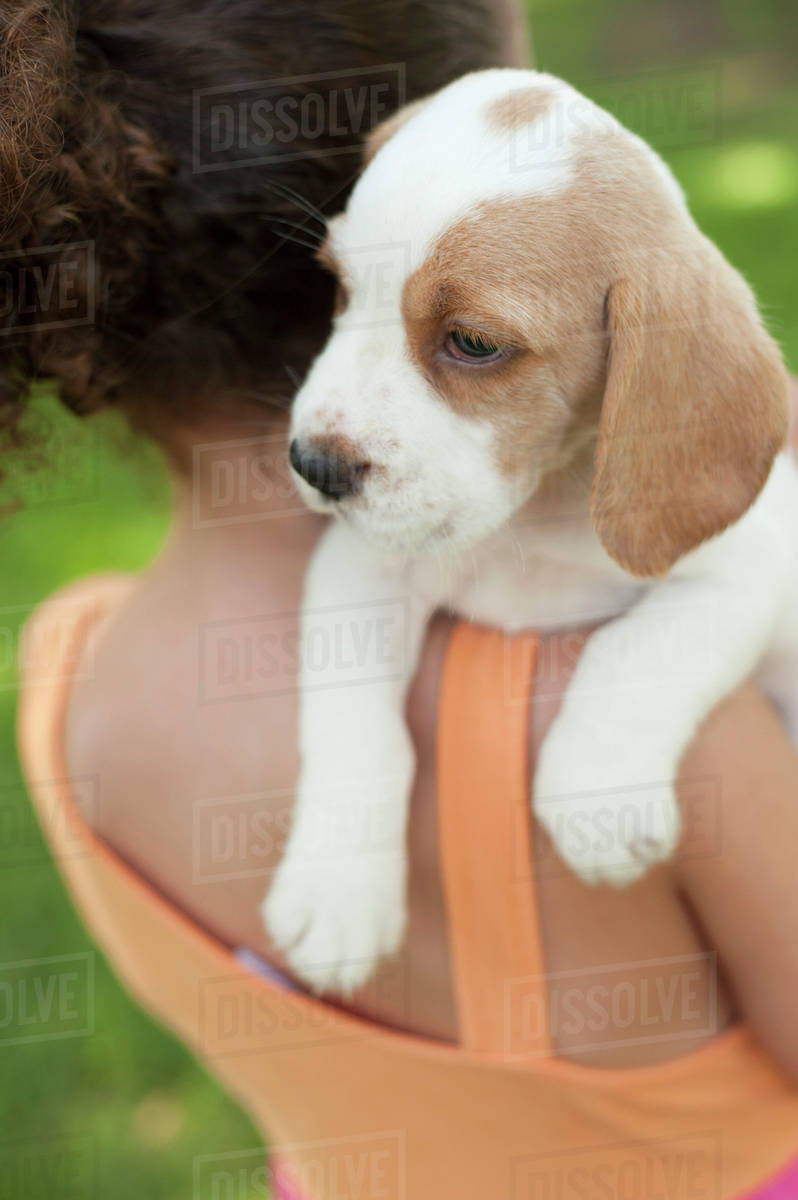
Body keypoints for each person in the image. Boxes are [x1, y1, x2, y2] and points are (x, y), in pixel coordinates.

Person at [12, 2, 798, 1196]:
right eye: (342, 289)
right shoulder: (693, 756)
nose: (329, 424)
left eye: (472, 345)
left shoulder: (71, 687)